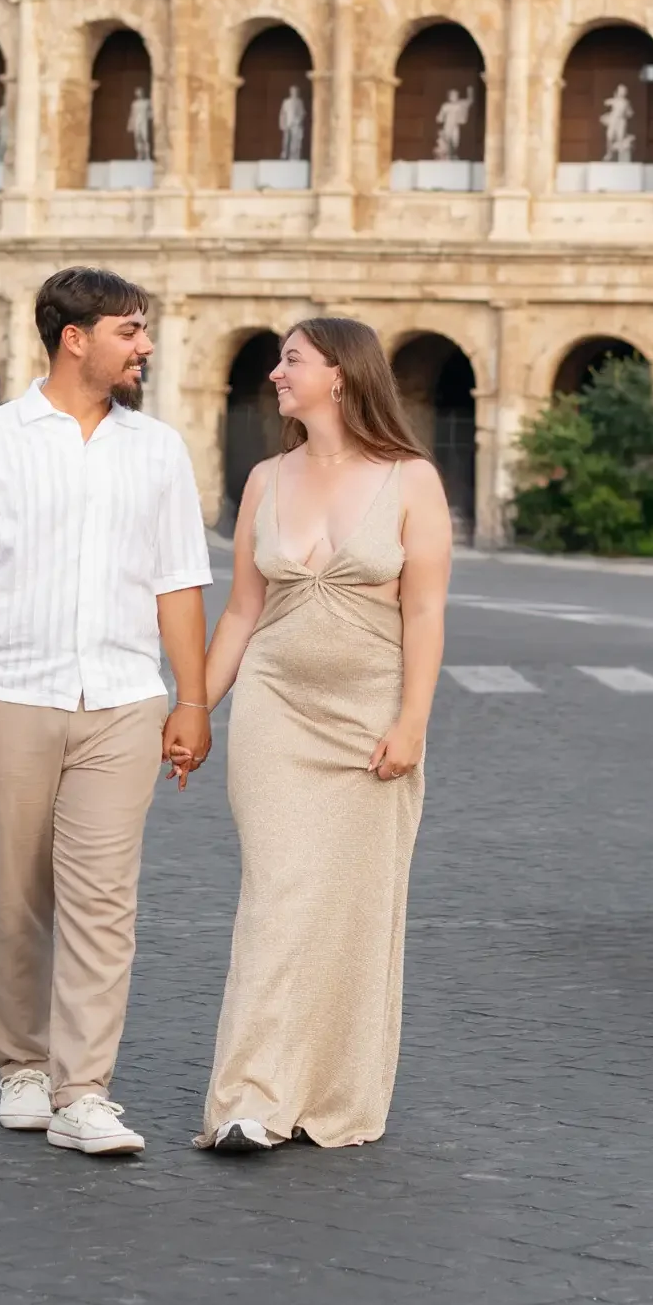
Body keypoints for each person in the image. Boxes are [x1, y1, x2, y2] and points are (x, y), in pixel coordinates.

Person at [0, 266, 213, 1158]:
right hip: (10, 692)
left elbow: (178, 582)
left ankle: (85, 1092)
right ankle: (22, 1067)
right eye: (130, 330)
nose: (146, 346)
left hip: (124, 701)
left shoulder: (157, 448)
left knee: (102, 900)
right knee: (9, 894)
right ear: (74, 337)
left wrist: (192, 700)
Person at [196, 316, 452, 1154]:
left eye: (291, 359)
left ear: (339, 375)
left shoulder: (412, 480)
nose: (274, 372)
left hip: (369, 720)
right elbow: (241, 611)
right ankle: (250, 1098)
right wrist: (192, 706)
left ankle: (330, 1094)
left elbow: (424, 611)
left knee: (351, 908)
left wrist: (411, 721)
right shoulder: (266, 479)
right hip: (274, 709)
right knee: (277, 894)